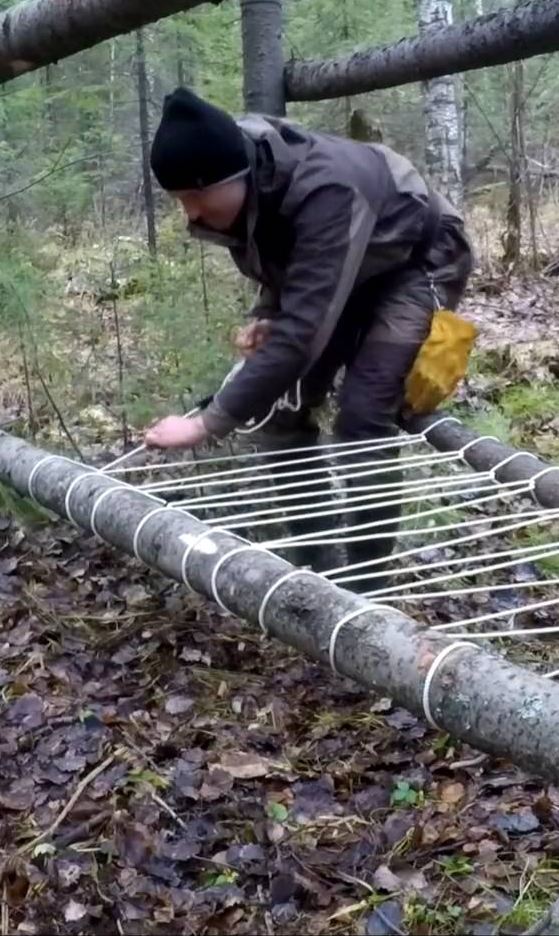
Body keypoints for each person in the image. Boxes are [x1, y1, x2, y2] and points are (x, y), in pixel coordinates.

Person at [141, 88, 474, 578]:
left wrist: (205, 424)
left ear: (233, 178)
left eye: (195, 197)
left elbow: (303, 331)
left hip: (415, 261)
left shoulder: (329, 190)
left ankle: (366, 586)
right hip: (349, 264)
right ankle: (314, 558)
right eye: (180, 201)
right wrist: (268, 313)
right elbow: (286, 264)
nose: (190, 213)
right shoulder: (248, 173)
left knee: (363, 417)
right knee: (281, 412)